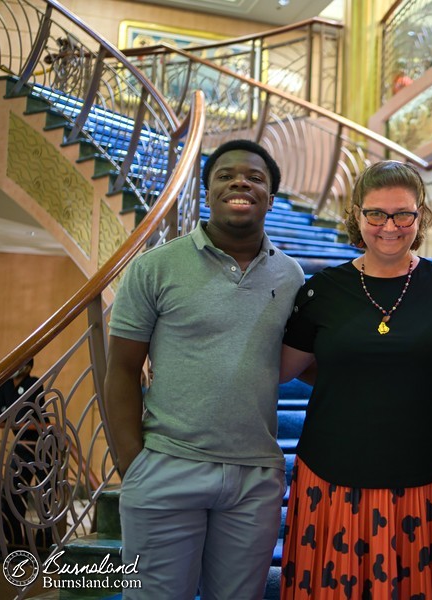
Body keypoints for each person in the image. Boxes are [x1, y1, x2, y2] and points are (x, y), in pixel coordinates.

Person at [278, 161, 432, 599]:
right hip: (333, 479)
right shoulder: (321, 292)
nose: (389, 227)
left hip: (428, 479)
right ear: (357, 215)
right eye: (376, 214)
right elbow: (284, 368)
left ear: (420, 217)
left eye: (403, 214)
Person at [105, 139, 304, 599]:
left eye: (256, 178)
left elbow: (300, 360)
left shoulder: (291, 276)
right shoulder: (154, 267)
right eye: (225, 175)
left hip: (254, 477)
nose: (241, 181)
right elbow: (122, 370)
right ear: (207, 193)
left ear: (270, 199)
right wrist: (132, 463)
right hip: (167, 467)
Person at [0, 358, 47, 550]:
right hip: (20, 446)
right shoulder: (4, 386)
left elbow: (26, 415)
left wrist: (11, 417)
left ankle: (45, 542)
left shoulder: (34, 383)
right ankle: (15, 540)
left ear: (26, 367)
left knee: (46, 496)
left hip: (41, 446)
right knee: (11, 493)